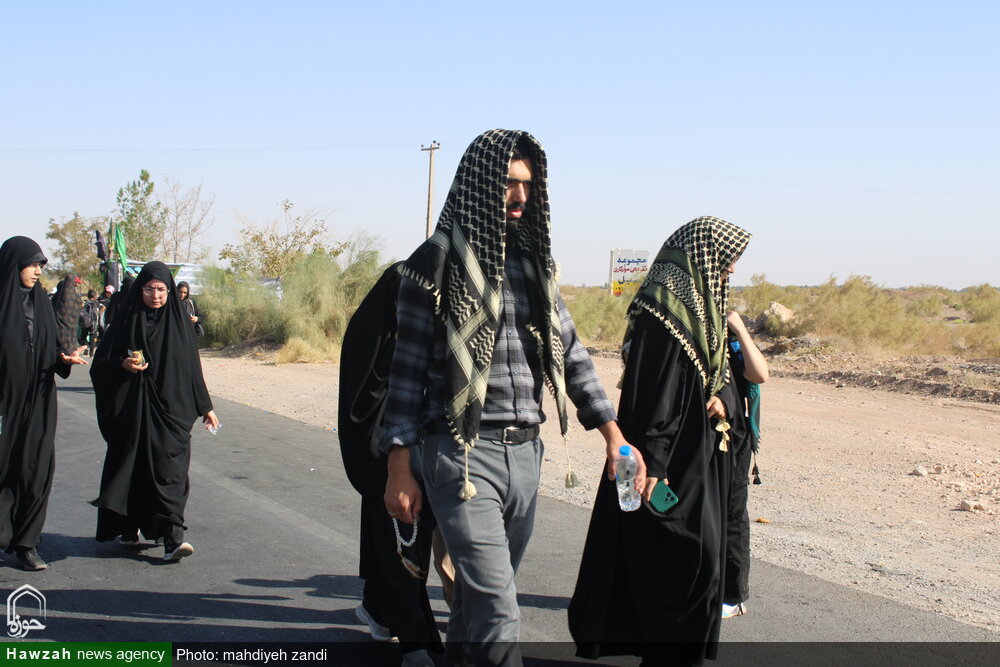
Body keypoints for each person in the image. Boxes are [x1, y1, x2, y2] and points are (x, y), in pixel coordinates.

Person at [381, 129, 640, 665]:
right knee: (499, 609)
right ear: (480, 184)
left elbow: (572, 357)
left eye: (528, 185)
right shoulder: (432, 266)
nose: (520, 197)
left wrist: (614, 438)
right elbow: (404, 377)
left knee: (476, 605)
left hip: (526, 454)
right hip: (462, 456)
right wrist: (398, 467)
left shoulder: (532, 266)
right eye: (508, 184)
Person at [569, 216, 751, 666]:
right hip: (665, 462)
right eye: (726, 260)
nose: (730, 269)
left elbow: (723, 375)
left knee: (684, 557)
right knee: (685, 555)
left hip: (697, 456)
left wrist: (724, 399)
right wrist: (654, 466)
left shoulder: (702, 313)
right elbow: (656, 396)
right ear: (701, 258)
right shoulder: (663, 315)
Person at [90, 261, 219, 561]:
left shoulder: (179, 325)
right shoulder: (126, 321)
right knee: (133, 468)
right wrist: (123, 364)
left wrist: (206, 407)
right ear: (140, 290)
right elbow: (102, 364)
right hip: (133, 409)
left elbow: (192, 369)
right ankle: (129, 524)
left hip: (171, 411)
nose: (156, 296)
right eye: (149, 289)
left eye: (161, 289)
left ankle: (173, 537)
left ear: (169, 291)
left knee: (171, 471)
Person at [0, 237, 88, 570]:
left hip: (39, 400)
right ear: (13, 265)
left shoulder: (41, 304)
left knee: (36, 469)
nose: (38, 271)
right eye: (32, 264)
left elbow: (50, 350)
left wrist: (63, 358)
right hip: (4, 404)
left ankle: (27, 544)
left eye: (41, 265)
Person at [721, 310, 768, 619]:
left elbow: (759, 375)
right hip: (702, 438)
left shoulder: (732, 336)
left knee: (733, 514)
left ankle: (734, 596)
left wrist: (739, 328)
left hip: (735, 439)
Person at [50, 274, 83, 356]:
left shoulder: (59, 297)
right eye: (75, 284)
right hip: (72, 335)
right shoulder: (76, 297)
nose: (76, 286)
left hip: (60, 333)